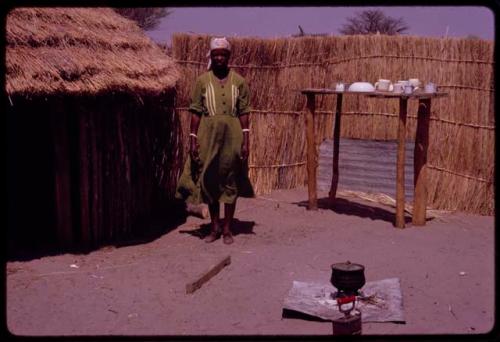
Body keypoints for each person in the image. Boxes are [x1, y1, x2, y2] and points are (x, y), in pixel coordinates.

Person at [175, 37, 254, 245]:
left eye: (223, 54)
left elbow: (244, 112)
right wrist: (192, 139)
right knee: (209, 180)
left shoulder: (239, 82)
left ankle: (227, 229)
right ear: (212, 56)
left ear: (229, 57)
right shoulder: (202, 81)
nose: (219, 58)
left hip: (232, 136)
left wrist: (246, 140)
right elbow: (195, 112)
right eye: (216, 54)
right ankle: (214, 227)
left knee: (230, 181)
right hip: (207, 135)